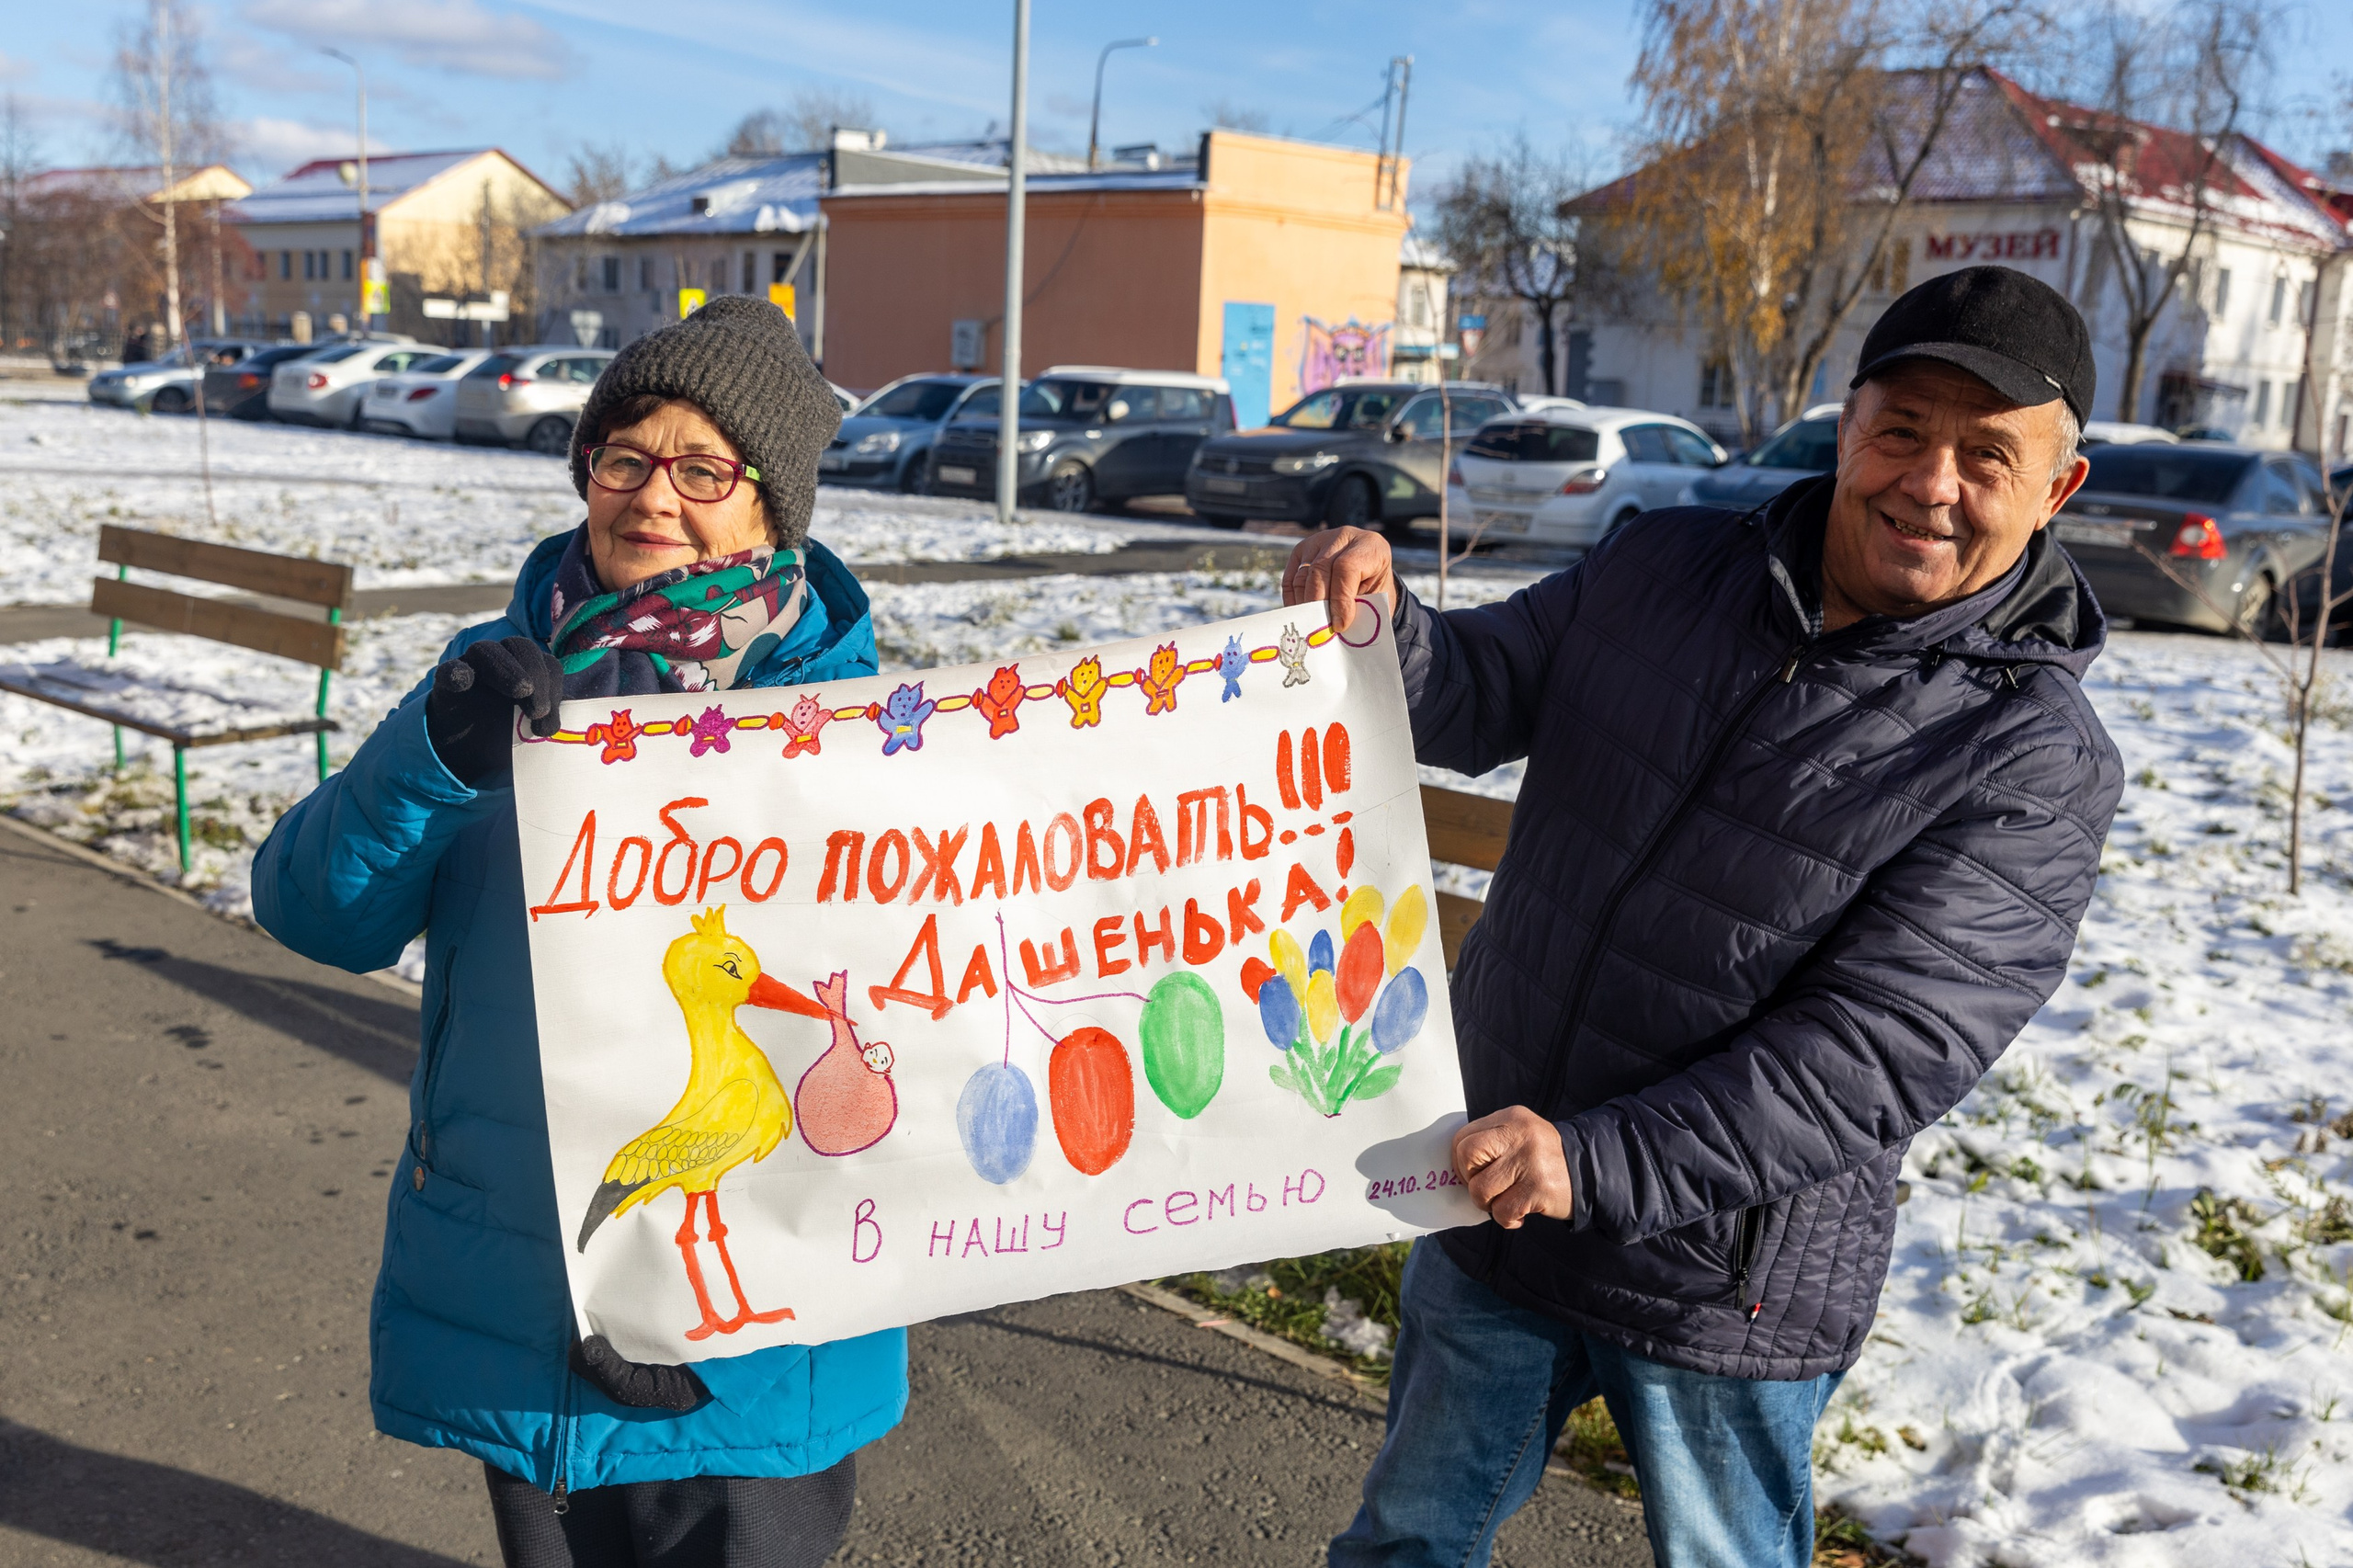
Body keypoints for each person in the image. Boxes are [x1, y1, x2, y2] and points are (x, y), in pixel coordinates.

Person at [1283, 266, 2125, 1568]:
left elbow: (1874, 1054)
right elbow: (1475, 688)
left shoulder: (2030, 755)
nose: (1931, 481)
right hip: (1493, 1193)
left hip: (1723, 1282)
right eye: (1903, 430)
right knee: (1403, 1543)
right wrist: (1375, 630)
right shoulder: (1666, 563)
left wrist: (1602, 1161)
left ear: (2057, 488)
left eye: (1987, 453)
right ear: (1848, 424)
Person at [253, 296, 903, 1567]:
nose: (656, 496)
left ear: (773, 510)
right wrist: (436, 757)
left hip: (759, 1355)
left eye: (705, 467)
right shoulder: (493, 679)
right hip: (525, 1304)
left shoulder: (854, 727)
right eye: (625, 457)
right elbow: (313, 908)